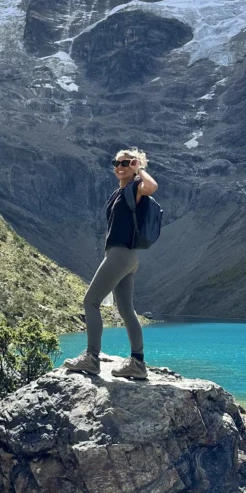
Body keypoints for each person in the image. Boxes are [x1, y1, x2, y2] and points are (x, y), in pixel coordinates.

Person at [64, 147, 158, 380]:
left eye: (126, 163)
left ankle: (91, 358)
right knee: (126, 310)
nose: (119, 166)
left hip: (121, 256)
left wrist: (140, 170)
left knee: (90, 302)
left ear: (134, 165)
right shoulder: (120, 193)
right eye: (116, 162)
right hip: (125, 257)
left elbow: (152, 187)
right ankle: (137, 363)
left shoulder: (136, 187)